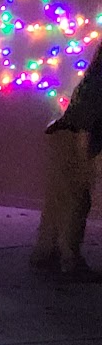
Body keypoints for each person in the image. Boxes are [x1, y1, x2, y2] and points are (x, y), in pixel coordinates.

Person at [31, 41, 102, 277]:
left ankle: (45, 253)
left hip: (64, 136)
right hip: (74, 139)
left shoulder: (93, 77)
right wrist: (85, 162)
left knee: (58, 200)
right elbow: (86, 125)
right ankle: (70, 260)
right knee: (77, 201)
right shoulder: (99, 83)